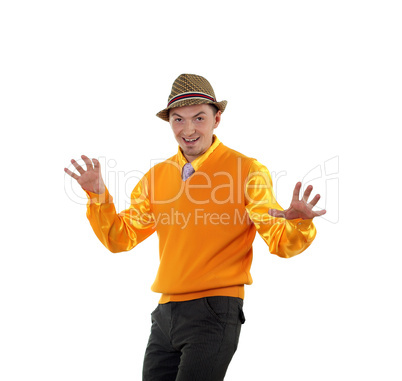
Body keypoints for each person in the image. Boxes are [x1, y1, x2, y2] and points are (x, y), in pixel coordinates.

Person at [64, 73, 326, 381]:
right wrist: (98, 196)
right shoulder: (156, 177)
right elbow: (120, 238)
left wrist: (301, 222)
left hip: (214, 311)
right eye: (178, 119)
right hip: (165, 314)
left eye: (199, 118)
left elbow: (280, 242)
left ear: (217, 119)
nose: (188, 130)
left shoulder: (247, 171)